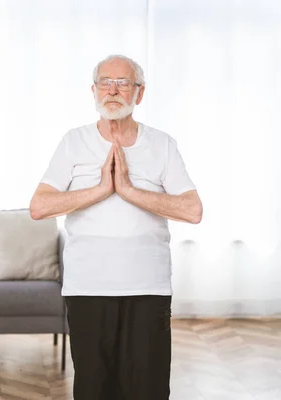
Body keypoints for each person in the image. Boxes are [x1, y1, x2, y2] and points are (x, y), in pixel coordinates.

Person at [30, 54, 203, 400]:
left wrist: (129, 190)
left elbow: (192, 210)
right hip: (87, 289)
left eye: (123, 83)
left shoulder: (162, 144)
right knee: (94, 389)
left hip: (148, 289)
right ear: (93, 90)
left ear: (139, 94)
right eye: (105, 82)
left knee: (148, 389)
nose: (113, 90)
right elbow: (39, 206)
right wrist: (99, 190)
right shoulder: (73, 141)